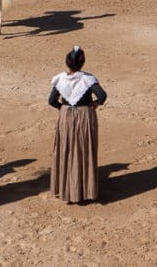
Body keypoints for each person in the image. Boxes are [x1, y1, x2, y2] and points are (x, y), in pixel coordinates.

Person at [48, 45, 107, 203]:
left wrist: (63, 109)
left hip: (66, 117)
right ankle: (84, 190)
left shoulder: (60, 79)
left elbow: (52, 101)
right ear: (82, 63)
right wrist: (95, 104)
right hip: (84, 116)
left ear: (67, 63)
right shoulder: (88, 78)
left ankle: (66, 190)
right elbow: (102, 95)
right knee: (83, 150)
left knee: (66, 150)